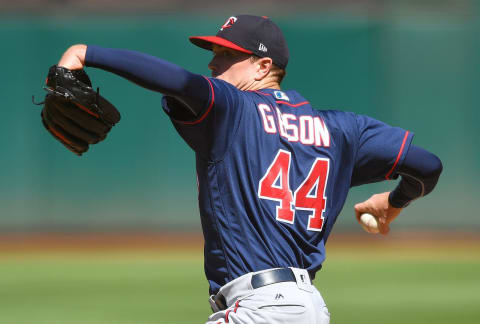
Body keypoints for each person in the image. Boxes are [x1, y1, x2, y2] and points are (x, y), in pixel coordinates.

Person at [55, 15, 442, 324]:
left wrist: (84, 53)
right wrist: (395, 201)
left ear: (263, 66)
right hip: (308, 307)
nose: (212, 62)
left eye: (226, 55)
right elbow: (427, 166)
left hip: (258, 308)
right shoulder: (343, 131)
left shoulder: (232, 109)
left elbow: (176, 80)